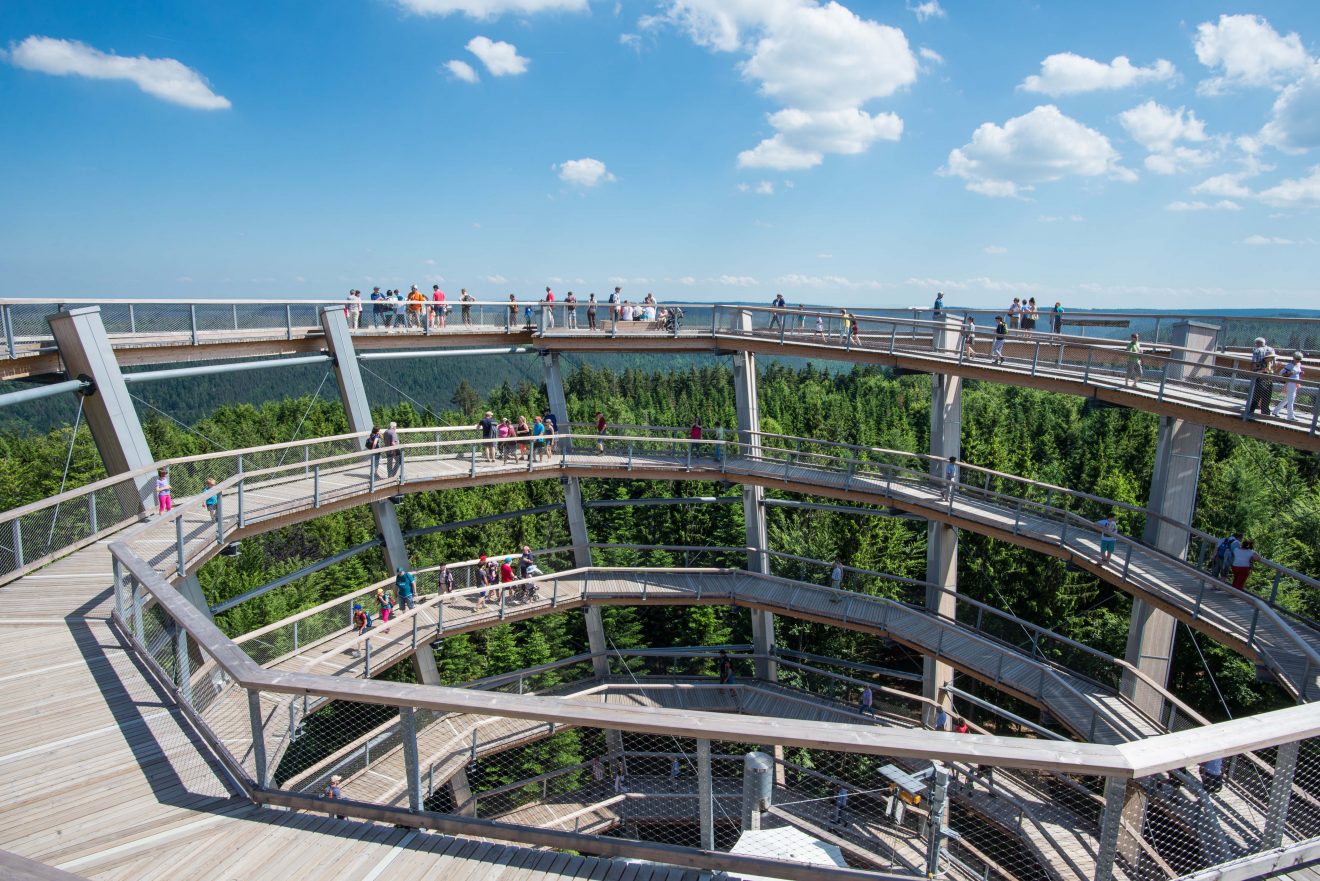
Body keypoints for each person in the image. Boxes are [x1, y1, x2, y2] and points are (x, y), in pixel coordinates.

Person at [1248, 337, 1278, 417]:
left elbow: (1254, 364)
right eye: (1271, 357)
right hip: (1265, 379)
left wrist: (1254, 372)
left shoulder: (1257, 350)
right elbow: (1274, 365)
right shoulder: (1271, 349)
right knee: (1261, 395)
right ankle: (1261, 411)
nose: (1272, 358)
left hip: (1262, 378)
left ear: (1257, 343)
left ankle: (1259, 411)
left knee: (1260, 395)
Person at [1273, 352, 1305, 421]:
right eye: (1297, 359)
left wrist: (1300, 372)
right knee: (1291, 399)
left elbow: (1297, 372)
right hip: (1290, 383)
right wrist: (1290, 373)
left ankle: (1275, 411)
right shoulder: (1289, 365)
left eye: (1300, 359)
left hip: (1296, 383)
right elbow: (1281, 373)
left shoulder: (1299, 364)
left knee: (1287, 399)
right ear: (1293, 358)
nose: (1298, 360)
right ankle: (1290, 416)